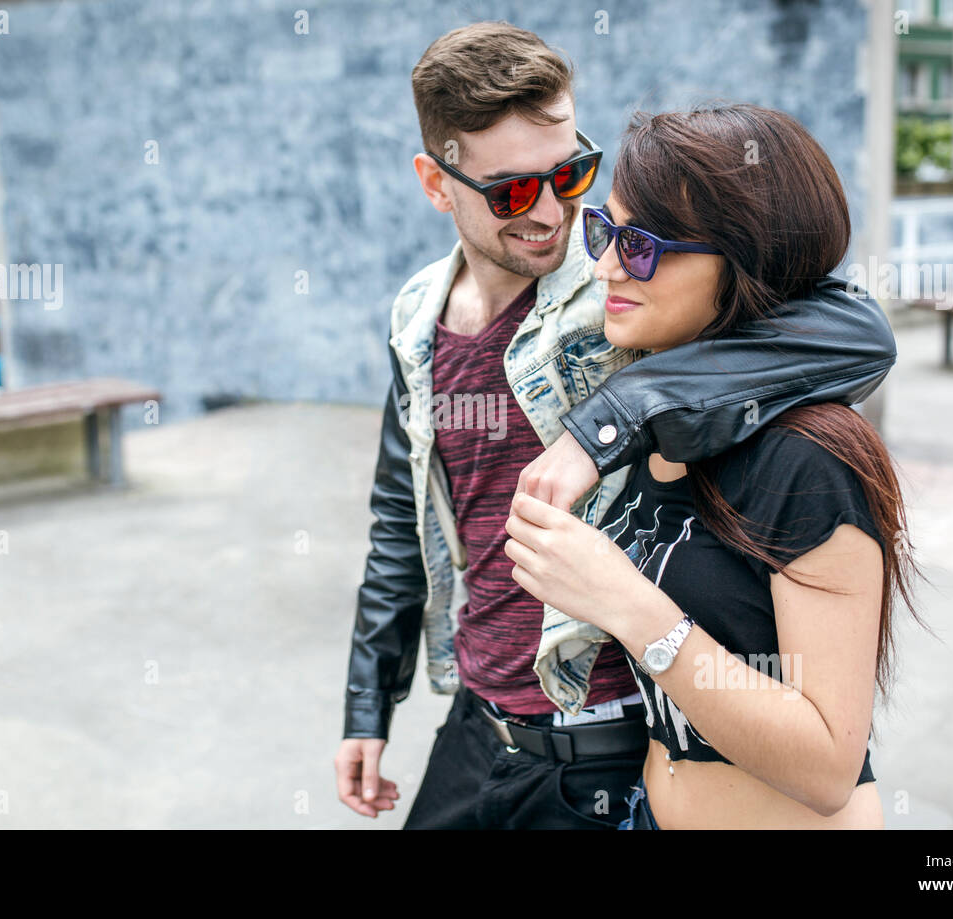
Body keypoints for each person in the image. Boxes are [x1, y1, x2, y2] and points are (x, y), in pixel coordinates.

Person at [335, 23, 898, 830]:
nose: (555, 213)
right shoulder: (416, 317)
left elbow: (855, 331)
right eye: (510, 191)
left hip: (614, 739)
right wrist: (367, 702)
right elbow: (402, 514)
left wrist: (603, 423)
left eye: (570, 173)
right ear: (436, 181)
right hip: (478, 720)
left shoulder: (628, 283)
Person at [504, 102, 927, 829]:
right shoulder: (657, 411)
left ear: (744, 260)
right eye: (603, 232)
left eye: (639, 245)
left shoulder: (809, 456)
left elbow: (827, 765)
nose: (606, 265)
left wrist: (627, 606)